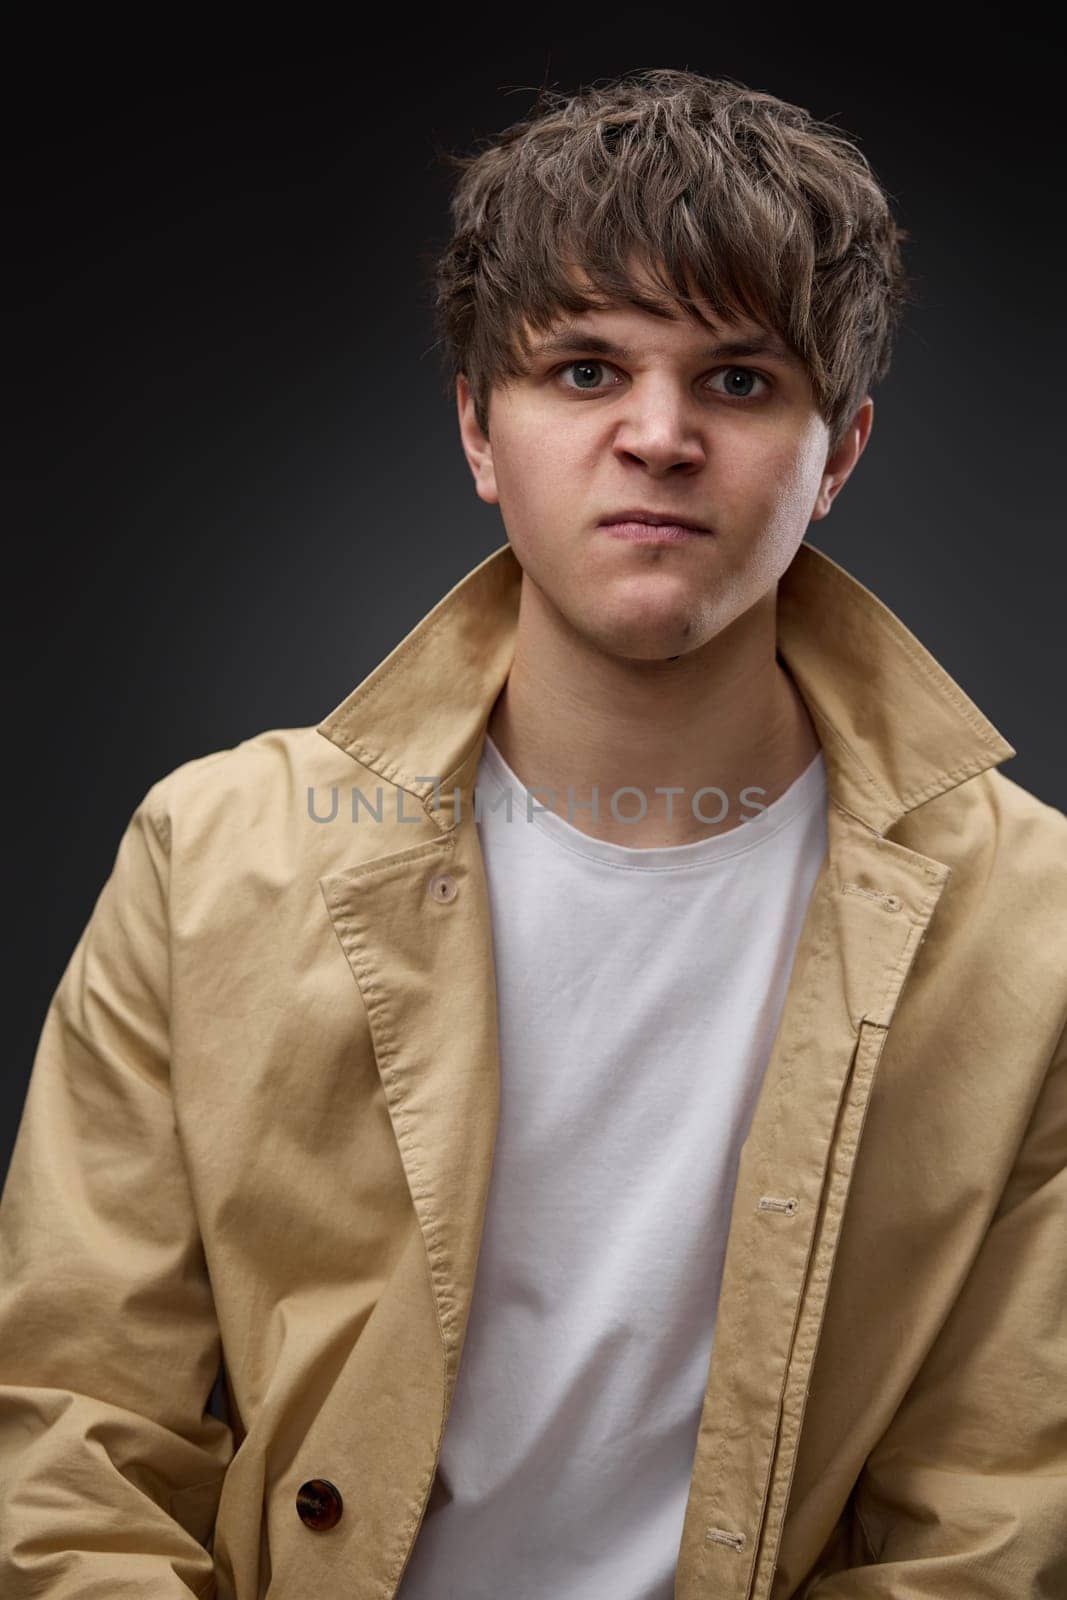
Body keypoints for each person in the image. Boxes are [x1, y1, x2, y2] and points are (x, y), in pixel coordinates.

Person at [1, 66, 1064, 1600]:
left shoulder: (1032, 919)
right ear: (477, 433)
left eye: (741, 380)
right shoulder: (217, 852)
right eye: (581, 370)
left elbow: (998, 1509)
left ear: (839, 456)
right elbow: (74, 1436)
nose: (657, 434)